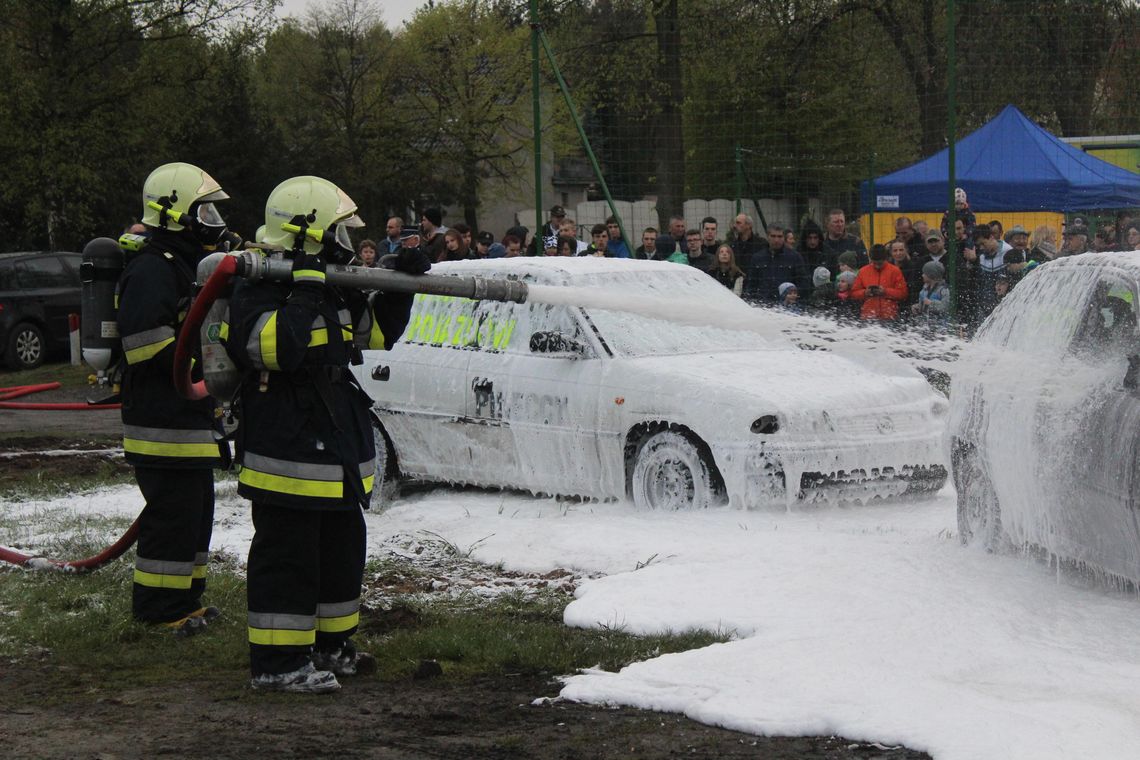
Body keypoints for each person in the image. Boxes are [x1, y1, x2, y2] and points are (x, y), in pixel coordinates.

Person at [224, 176, 430, 694]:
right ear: (307, 234)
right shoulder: (258, 284)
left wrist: (398, 288)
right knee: (289, 556)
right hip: (286, 444)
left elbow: (374, 336)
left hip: (333, 440)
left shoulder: (329, 282)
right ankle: (277, 664)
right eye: (336, 230)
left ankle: (331, 647)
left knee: (341, 547)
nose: (344, 241)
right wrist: (305, 290)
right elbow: (271, 350)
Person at [118, 162, 231, 635]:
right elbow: (145, 345)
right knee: (171, 517)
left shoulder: (183, 264)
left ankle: (187, 601)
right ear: (172, 213)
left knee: (194, 512)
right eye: (202, 210)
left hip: (188, 419)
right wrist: (201, 367)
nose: (211, 220)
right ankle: (158, 612)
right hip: (161, 422)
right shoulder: (151, 268)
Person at [745, 224, 807, 304]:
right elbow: (751, 285)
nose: (776, 240)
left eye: (779, 236)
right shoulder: (757, 258)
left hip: (787, 307)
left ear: (784, 238)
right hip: (762, 306)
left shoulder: (794, 257)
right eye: (773, 236)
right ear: (767, 237)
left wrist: (794, 294)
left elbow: (803, 283)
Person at [851, 244, 907, 322]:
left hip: (890, 317)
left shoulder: (895, 271)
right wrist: (865, 292)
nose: (877, 266)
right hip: (868, 316)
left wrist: (885, 291)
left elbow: (903, 294)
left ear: (885, 259)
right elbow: (854, 293)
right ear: (870, 260)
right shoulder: (863, 271)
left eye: (880, 263)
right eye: (874, 263)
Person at [911, 260, 951, 331]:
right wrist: (918, 307)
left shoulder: (943, 290)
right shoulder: (924, 290)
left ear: (931, 275)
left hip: (940, 327)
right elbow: (923, 306)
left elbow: (944, 307)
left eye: (925, 273)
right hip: (925, 325)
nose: (922, 275)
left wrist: (931, 303)